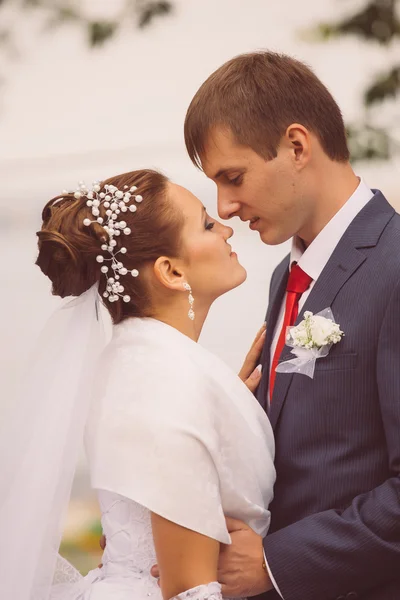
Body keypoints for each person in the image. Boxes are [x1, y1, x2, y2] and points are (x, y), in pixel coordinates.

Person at [181, 51, 400, 600]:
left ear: (297, 146)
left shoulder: (396, 265)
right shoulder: (287, 274)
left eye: (233, 178)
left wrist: (277, 564)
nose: (224, 207)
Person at [0, 169, 275, 600]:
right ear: (170, 270)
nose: (226, 228)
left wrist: (227, 412)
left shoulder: (141, 363)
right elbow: (189, 590)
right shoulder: (163, 380)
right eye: (206, 224)